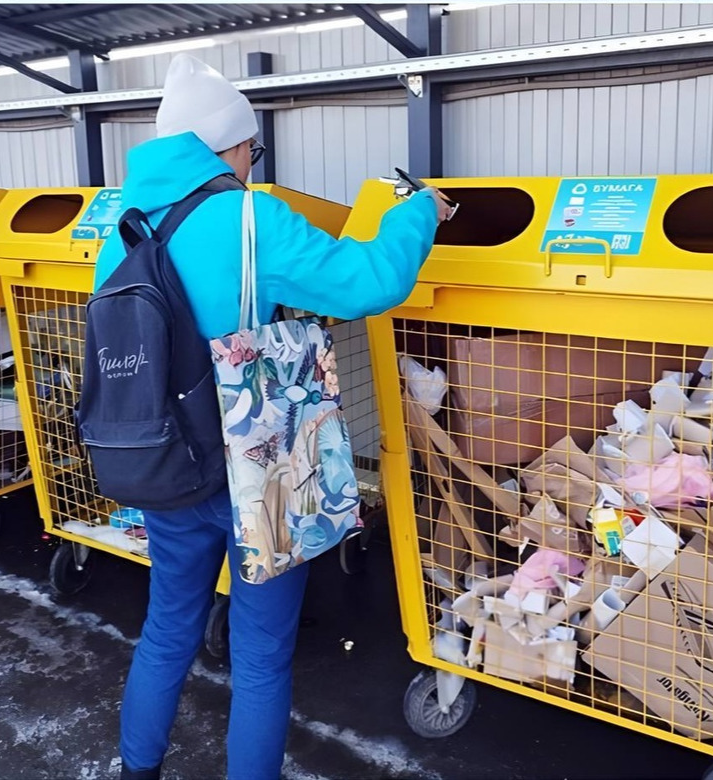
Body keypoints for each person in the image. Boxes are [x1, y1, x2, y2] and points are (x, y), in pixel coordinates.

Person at [93, 53, 451, 780]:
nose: (253, 165)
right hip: (256, 473)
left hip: (164, 466)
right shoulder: (248, 217)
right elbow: (364, 282)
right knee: (259, 658)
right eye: (252, 150)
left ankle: (137, 771)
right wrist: (420, 211)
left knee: (166, 629)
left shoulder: (121, 227)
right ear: (227, 147)